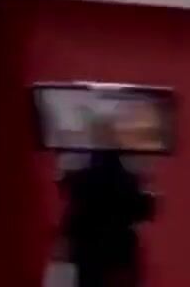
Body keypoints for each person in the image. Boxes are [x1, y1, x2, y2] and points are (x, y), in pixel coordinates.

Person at [59, 118, 156, 287]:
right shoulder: (128, 177)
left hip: (89, 251)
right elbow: (143, 210)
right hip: (119, 251)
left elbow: (74, 211)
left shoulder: (82, 176)